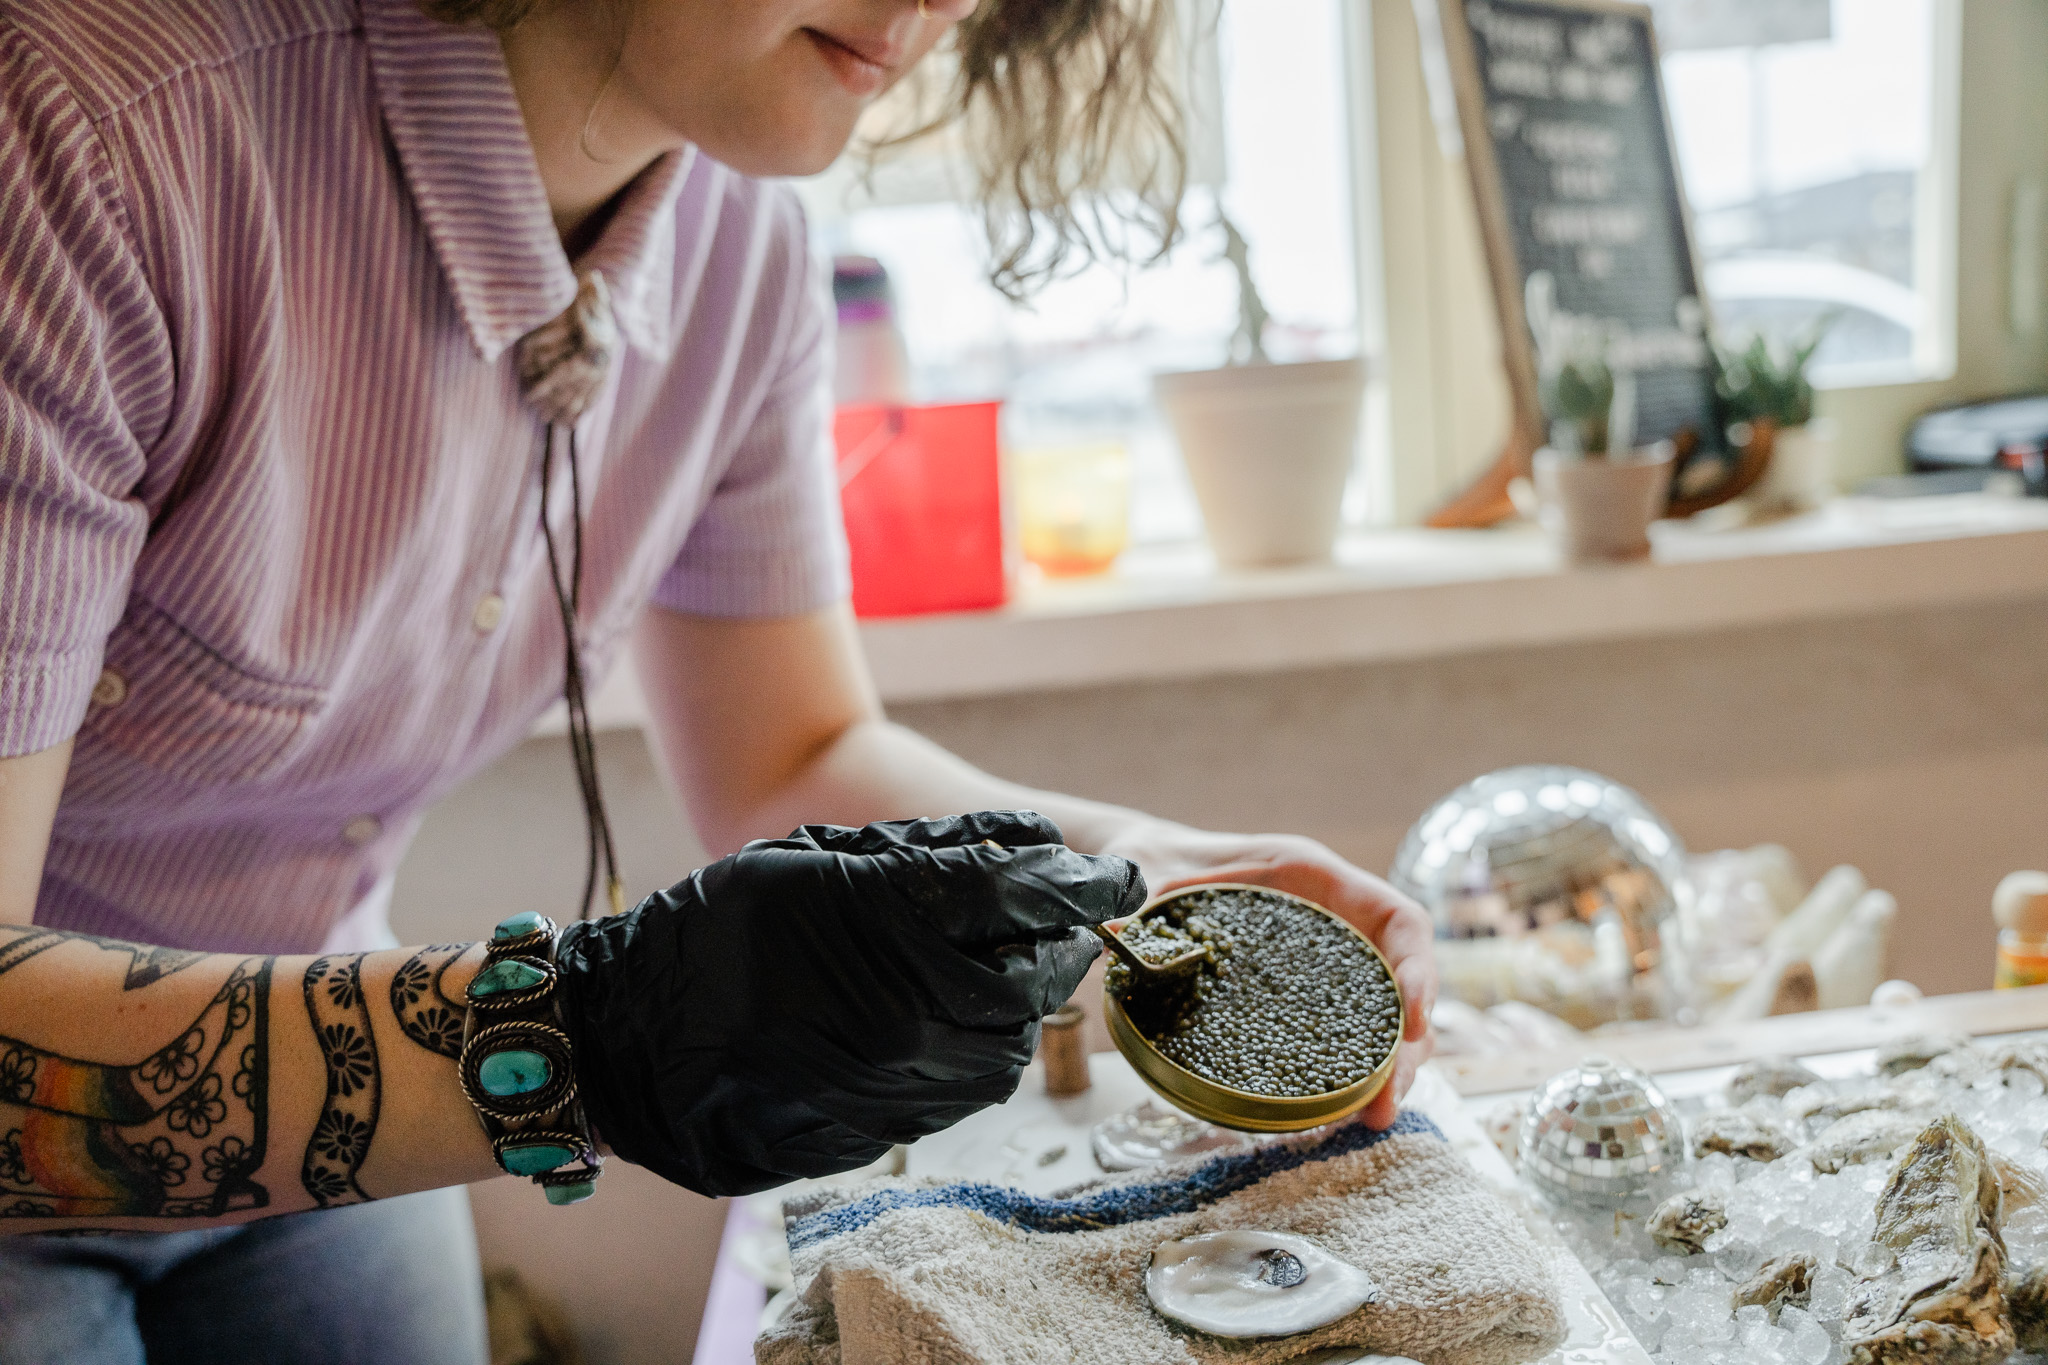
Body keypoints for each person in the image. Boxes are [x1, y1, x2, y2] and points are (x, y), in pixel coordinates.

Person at [0, 0, 1438, 1359]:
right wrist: (580, 1039)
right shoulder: (94, 137)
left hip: (320, 1097)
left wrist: (1143, 866)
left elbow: (790, 754)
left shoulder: (741, 250)